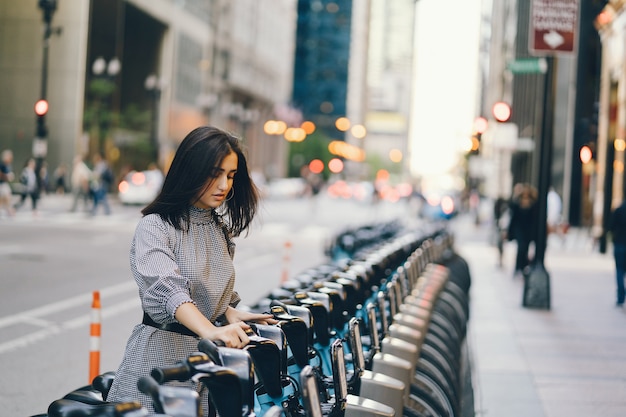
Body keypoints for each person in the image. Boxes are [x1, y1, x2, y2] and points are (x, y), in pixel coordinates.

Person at [106, 126, 277, 414]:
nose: (224, 185)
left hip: (206, 364)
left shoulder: (218, 229)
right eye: (215, 174)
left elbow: (206, 289)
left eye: (231, 176)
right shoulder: (156, 226)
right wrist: (210, 329)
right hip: (159, 363)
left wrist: (227, 311)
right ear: (191, 170)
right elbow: (169, 291)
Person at [507, 183, 538, 277]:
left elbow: (534, 219)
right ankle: (518, 267)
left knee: (526, 248)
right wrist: (509, 231)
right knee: (521, 247)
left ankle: (523, 266)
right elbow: (513, 218)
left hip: (528, 230)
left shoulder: (533, 204)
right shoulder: (516, 203)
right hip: (519, 229)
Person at [610, 200, 626, 307]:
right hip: (620, 243)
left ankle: (621, 296)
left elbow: (611, 226)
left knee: (619, 270)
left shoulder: (619, 210)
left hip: (619, 244)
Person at [0, 149, 15, 217]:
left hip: (5, 184)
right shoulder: (2, 165)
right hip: (2, 184)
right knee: (6, 197)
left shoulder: (8, 165)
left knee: (6, 197)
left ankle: (9, 210)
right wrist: (7, 176)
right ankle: (9, 210)